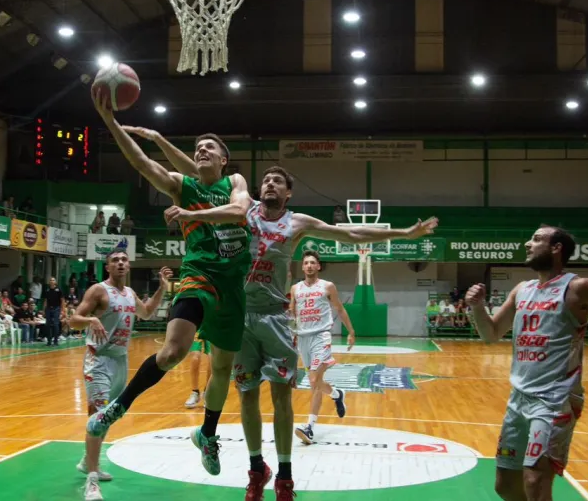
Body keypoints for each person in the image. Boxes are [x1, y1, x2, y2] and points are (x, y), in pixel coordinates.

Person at [129, 128, 439, 500]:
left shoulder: (297, 223)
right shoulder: (241, 211)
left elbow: (349, 233)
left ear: (288, 192)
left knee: (279, 398)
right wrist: (163, 151)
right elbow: (196, 176)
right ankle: (256, 468)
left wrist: (403, 233)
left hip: (276, 318)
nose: (270, 184)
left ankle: (286, 476)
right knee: (245, 397)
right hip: (239, 316)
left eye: (278, 180)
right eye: (266, 180)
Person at [85, 90, 254, 477]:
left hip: (233, 287)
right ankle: (117, 408)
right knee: (173, 352)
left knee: (223, 369)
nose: (202, 150)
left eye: (209, 147)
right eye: (197, 147)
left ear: (223, 159)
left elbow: (240, 211)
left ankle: (207, 434)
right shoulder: (183, 186)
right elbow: (143, 163)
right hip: (198, 275)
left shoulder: (235, 183)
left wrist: (195, 214)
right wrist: (110, 121)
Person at [465, 225, 588, 501]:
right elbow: (491, 334)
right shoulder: (522, 289)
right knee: (506, 485)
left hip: (555, 400)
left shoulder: (579, 287)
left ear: (556, 248)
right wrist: (477, 307)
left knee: (535, 479)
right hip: (518, 399)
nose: (527, 243)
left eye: (535, 239)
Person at [70, 249, 171, 501]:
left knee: (110, 416)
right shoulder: (98, 291)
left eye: (124, 260)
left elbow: (146, 312)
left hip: (121, 361)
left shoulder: (129, 293)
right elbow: (73, 319)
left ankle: (87, 461)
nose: (121, 263)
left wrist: (162, 288)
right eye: (115, 260)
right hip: (99, 361)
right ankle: (92, 482)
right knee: (98, 416)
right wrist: (91, 320)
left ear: (129, 265)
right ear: (108, 267)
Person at [292, 250, 356, 445]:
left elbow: (340, 309)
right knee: (315, 381)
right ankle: (337, 394)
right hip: (303, 339)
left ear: (318, 266)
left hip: (322, 336)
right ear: (302, 267)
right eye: (306, 263)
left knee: (313, 379)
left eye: (313, 262)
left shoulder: (327, 286)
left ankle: (309, 427)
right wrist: (291, 335)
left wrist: (351, 332)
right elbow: (292, 314)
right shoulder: (295, 289)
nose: (309, 265)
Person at [184, 338, 212, 408]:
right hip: (197, 328)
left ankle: (207, 393)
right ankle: (195, 392)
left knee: (212, 359)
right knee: (195, 358)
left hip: (212, 328)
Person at [43, 277, 65, 346]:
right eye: (50, 280)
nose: (52, 281)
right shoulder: (47, 290)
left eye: (53, 280)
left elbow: (62, 300)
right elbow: (45, 301)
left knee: (56, 324)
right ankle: (49, 341)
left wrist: (62, 310)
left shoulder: (59, 290)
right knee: (47, 324)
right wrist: (44, 310)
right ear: (49, 282)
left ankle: (55, 340)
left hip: (56, 308)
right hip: (48, 308)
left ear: (55, 282)